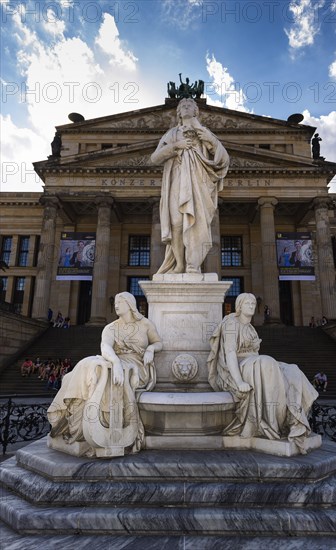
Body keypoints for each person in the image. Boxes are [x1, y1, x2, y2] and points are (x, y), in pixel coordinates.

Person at [48, 292, 163, 456]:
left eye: (119, 302)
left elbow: (158, 342)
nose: (116, 305)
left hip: (137, 366)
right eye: (115, 302)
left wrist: (151, 349)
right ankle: (75, 419)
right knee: (89, 364)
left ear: (130, 304)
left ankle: (104, 427)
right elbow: (106, 347)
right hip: (115, 361)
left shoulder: (145, 324)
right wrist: (115, 362)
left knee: (104, 372)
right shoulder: (111, 327)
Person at [207, 293, 318, 453]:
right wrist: (239, 382)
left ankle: (294, 419)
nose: (252, 306)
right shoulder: (231, 323)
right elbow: (230, 354)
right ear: (239, 306)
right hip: (239, 366)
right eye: (248, 303)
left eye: (253, 303)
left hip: (255, 364)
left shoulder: (251, 328)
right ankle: (273, 423)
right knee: (266, 362)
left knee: (292, 369)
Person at [151, 98, 229, 274]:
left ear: (196, 111)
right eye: (182, 106)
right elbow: (155, 158)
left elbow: (223, 159)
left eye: (190, 106)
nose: (185, 108)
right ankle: (179, 264)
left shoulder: (204, 132)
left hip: (199, 183)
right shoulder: (171, 134)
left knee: (197, 223)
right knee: (176, 222)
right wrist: (175, 146)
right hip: (177, 180)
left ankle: (193, 264)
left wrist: (211, 140)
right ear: (178, 112)